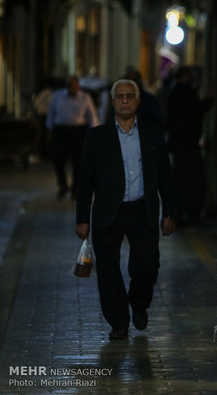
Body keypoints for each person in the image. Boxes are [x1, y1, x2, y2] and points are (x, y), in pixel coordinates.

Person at [75, 79, 176, 340]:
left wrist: (169, 212)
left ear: (138, 101)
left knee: (147, 266)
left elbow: (165, 175)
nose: (124, 101)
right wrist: (82, 219)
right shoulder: (97, 137)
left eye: (129, 96)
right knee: (108, 272)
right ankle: (118, 322)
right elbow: (85, 180)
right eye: (119, 96)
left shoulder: (153, 134)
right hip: (108, 213)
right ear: (112, 101)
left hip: (142, 210)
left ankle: (138, 303)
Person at [166, 66, 211, 226]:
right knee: (190, 180)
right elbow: (194, 111)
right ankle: (189, 214)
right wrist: (207, 102)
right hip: (187, 144)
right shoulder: (183, 92)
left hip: (179, 144)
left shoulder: (174, 91)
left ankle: (180, 213)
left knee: (181, 180)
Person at [46, 75, 100, 199]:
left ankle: (76, 189)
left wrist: (95, 133)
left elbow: (92, 116)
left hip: (78, 131)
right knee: (58, 159)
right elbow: (51, 114)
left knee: (78, 162)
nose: (73, 87)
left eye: (75, 85)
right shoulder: (57, 96)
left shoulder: (85, 97)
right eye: (71, 85)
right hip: (60, 130)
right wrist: (50, 130)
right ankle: (63, 185)